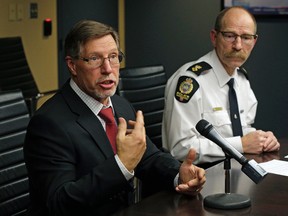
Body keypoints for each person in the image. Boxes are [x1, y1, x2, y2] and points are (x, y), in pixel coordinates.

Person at [23, 20, 206, 216]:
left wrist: (179, 175)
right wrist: (122, 166)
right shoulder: (49, 124)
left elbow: (148, 157)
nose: (108, 69)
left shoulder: (119, 104)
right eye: (94, 59)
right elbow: (60, 202)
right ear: (72, 66)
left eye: (113, 57)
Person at [162, 6, 280, 165]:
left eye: (246, 37)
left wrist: (262, 139)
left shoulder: (241, 79)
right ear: (214, 37)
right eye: (230, 36)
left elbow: (242, 127)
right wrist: (241, 144)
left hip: (234, 170)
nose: (238, 45)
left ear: (254, 41)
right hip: (200, 176)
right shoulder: (191, 82)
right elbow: (180, 148)